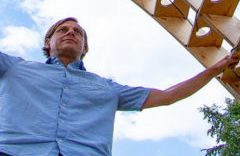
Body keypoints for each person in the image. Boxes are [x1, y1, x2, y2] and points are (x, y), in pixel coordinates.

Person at [0, 17, 239, 156]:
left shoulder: (106, 88)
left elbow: (168, 96)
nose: (71, 33)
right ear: (47, 42)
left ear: (84, 48)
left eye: (78, 33)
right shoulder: (15, 68)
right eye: (63, 30)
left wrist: (215, 69)